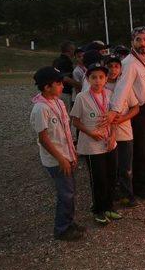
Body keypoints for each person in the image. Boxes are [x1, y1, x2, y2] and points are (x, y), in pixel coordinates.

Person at [30, 66, 84, 241]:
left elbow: (66, 132)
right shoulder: (40, 109)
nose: (62, 86)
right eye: (59, 83)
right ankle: (62, 228)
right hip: (55, 160)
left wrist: (72, 153)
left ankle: (68, 221)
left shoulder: (59, 102)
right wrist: (61, 158)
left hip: (66, 155)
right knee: (65, 193)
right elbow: (44, 139)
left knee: (70, 191)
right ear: (47, 87)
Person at [108, 27, 145, 200]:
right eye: (138, 39)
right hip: (140, 112)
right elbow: (122, 88)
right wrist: (114, 110)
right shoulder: (129, 63)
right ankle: (139, 186)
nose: (142, 43)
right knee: (140, 150)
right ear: (132, 42)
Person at [70, 63, 120, 225]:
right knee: (99, 179)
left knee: (112, 175)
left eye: (101, 77)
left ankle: (109, 207)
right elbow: (75, 121)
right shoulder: (81, 98)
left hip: (109, 143)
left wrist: (113, 136)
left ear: (106, 79)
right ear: (88, 79)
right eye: (93, 77)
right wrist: (90, 132)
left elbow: (113, 118)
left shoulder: (110, 94)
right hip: (92, 145)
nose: (97, 81)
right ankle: (98, 210)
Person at [105, 55, 139, 207]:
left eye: (116, 66)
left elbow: (135, 107)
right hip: (105, 135)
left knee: (125, 167)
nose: (113, 70)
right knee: (110, 168)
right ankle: (111, 195)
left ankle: (127, 195)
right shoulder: (101, 87)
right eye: (110, 66)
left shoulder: (124, 86)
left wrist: (124, 118)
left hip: (124, 133)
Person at [53, 41, 80, 111]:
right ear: (70, 50)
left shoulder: (56, 61)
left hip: (55, 91)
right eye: (73, 49)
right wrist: (78, 85)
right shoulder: (66, 62)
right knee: (65, 114)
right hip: (65, 92)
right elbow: (64, 77)